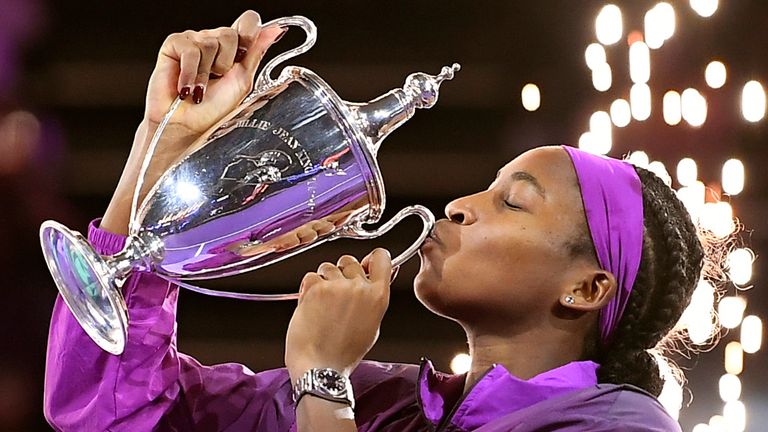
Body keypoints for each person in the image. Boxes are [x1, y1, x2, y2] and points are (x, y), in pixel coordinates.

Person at [43, 10, 706, 431]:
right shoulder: (389, 401)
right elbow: (112, 411)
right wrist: (163, 146)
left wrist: (322, 380)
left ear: (586, 288)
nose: (460, 205)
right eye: (487, 187)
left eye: (512, 202)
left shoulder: (622, 426)